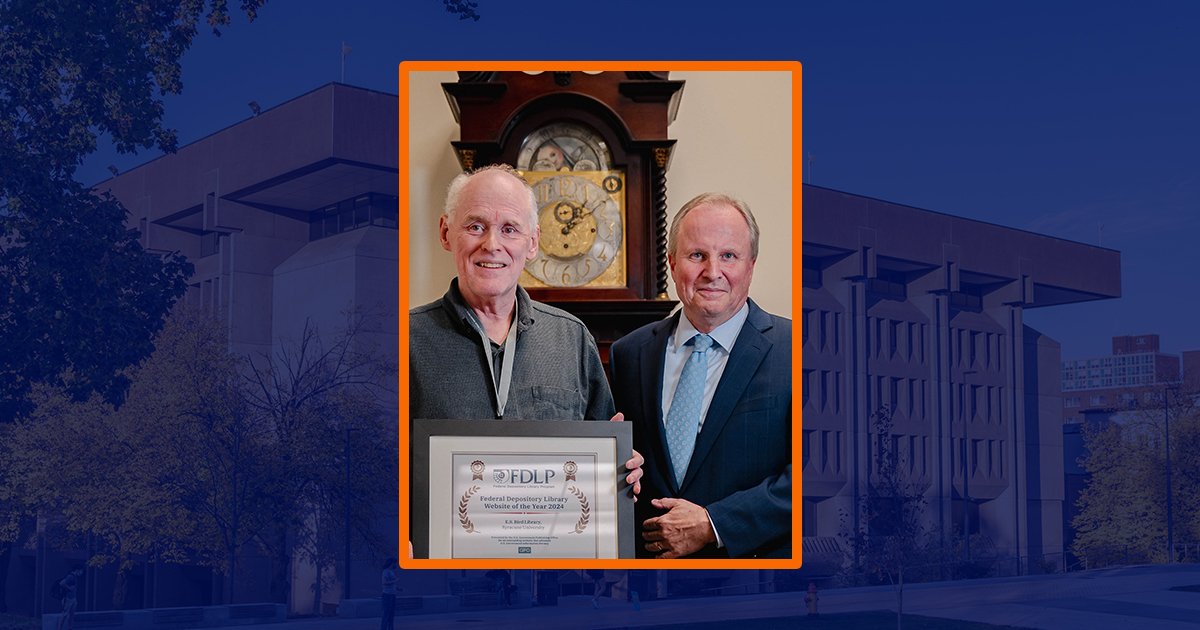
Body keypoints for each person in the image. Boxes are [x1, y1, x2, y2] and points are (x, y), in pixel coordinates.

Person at [408, 165, 642, 551]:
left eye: (510, 229)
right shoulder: (405, 342)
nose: (492, 245)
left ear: (532, 243)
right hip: (443, 578)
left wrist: (622, 471)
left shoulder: (571, 339)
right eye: (476, 226)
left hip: (553, 579)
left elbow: (603, 470)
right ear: (446, 233)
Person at [610, 192, 791, 559]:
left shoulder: (798, 350)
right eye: (697, 255)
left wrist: (714, 524)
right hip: (647, 586)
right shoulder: (628, 354)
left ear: (751, 265)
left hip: (753, 585)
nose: (712, 272)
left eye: (728, 256)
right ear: (673, 263)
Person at [379, 558, 398, 630]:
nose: (395, 565)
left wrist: (397, 588)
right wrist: (395, 580)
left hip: (392, 595)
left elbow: (391, 583)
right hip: (387, 595)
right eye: (394, 563)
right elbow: (384, 582)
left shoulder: (391, 572)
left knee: (391, 614)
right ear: (391, 563)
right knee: (386, 614)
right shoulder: (385, 572)